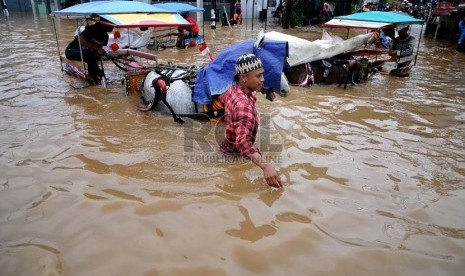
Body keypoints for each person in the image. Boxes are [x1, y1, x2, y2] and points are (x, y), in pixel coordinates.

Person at [219, 54, 283, 188]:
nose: (263, 79)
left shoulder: (232, 90)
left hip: (224, 150)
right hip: (235, 157)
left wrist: (261, 89)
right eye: (258, 76)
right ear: (243, 77)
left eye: (262, 75)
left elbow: (221, 99)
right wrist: (265, 167)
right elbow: (243, 142)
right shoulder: (244, 105)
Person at [65, 15, 114, 83]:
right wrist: (98, 49)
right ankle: (92, 77)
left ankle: (98, 76)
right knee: (90, 54)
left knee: (95, 58)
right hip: (71, 51)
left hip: (87, 54)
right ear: (104, 23)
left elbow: (99, 51)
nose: (113, 26)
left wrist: (104, 54)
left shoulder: (105, 36)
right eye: (111, 24)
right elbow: (81, 40)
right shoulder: (92, 29)